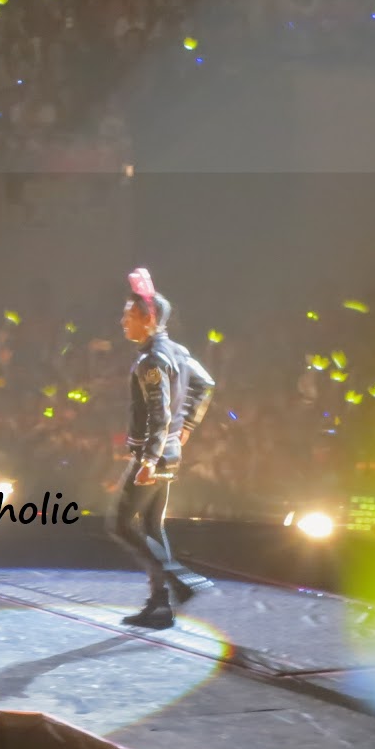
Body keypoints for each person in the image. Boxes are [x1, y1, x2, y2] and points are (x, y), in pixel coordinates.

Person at [109, 269, 216, 630]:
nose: (123, 321)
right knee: (152, 526)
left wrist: (149, 460)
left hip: (154, 456)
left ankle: (178, 578)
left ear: (148, 319)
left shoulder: (151, 361)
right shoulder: (178, 352)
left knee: (121, 523)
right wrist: (186, 428)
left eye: (129, 315)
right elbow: (206, 384)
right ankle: (160, 606)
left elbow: (160, 412)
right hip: (171, 454)